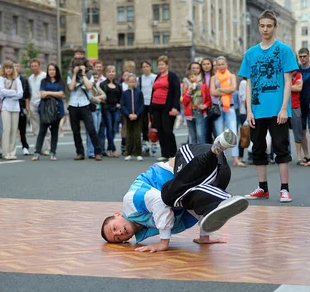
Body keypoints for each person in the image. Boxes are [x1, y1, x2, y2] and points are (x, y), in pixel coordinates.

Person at [101, 129, 247, 252]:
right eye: (118, 238)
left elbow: (159, 202)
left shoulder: (131, 201)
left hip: (190, 159)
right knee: (186, 200)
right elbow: (193, 209)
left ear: (117, 214)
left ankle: (217, 152)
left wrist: (164, 242)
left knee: (167, 196)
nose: (119, 233)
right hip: (219, 175)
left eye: (115, 228)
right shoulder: (149, 228)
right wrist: (205, 234)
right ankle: (222, 200)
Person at [240, 10, 296, 203]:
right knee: (258, 148)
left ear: (275, 27)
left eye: (269, 26)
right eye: (262, 26)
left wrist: (283, 108)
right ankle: (262, 188)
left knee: (281, 148)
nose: (265, 29)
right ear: (259, 27)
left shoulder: (284, 50)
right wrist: (248, 110)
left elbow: (288, 81)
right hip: (257, 109)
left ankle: (284, 189)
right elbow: (248, 83)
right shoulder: (251, 53)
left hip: (277, 109)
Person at [67, 48, 102, 161]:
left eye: (81, 55)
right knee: (76, 131)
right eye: (77, 54)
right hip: (73, 104)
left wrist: (83, 74)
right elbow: (71, 87)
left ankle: (97, 152)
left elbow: (89, 86)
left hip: (85, 104)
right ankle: (80, 152)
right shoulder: (69, 73)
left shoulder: (89, 73)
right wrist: (74, 74)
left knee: (91, 129)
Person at [210, 56, 240, 166]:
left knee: (233, 133)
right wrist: (225, 91)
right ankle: (221, 158)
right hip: (218, 108)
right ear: (216, 66)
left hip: (230, 107)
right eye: (219, 64)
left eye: (223, 64)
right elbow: (213, 92)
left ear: (226, 64)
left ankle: (236, 158)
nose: (221, 66)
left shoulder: (231, 76)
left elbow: (233, 89)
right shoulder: (214, 78)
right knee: (219, 133)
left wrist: (219, 90)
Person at [150, 55, 180, 161]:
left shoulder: (172, 76)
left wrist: (175, 107)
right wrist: (151, 108)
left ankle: (173, 154)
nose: (160, 66)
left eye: (162, 64)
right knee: (160, 130)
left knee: (167, 130)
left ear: (167, 65)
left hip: (167, 107)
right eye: (159, 65)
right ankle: (165, 153)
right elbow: (153, 92)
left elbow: (176, 92)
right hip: (156, 107)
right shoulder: (158, 77)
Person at [33, 64, 65, 161]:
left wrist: (48, 93)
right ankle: (37, 153)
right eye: (50, 69)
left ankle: (53, 152)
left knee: (54, 132)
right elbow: (42, 95)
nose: (51, 71)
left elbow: (61, 94)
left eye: (53, 69)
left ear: (56, 71)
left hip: (57, 109)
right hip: (45, 109)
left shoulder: (60, 82)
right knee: (42, 131)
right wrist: (53, 94)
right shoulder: (44, 81)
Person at [0, 61, 23, 160]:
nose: (8, 70)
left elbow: (20, 94)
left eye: (10, 68)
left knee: (14, 130)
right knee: (6, 129)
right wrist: (14, 92)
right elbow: (2, 92)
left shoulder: (17, 80)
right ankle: (5, 152)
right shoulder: (1, 79)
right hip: (5, 107)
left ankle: (12, 152)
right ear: (4, 69)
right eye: (6, 68)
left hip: (15, 108)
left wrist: (10, 93)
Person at [182, 69, 211, 144]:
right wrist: (188, 92)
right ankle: (194, 154)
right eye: (190, 78)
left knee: (200, 135)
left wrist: (204, 105)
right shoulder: (188, 89)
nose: (192, 79)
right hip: (189, 115)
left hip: (200, 114)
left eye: (193, 76)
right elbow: (184, 102)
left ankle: (202, 153)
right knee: (192, 136)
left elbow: (209, 100)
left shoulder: (203, 87)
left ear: (197, 76)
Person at [100, 66, 122, 157]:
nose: (111, 73)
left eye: (113, 71)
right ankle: (113, 148)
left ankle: (109, 147)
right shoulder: (103, 84)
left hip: (115, 109)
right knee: (109, 128)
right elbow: (100, 95)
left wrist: (119, 104)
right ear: (106, 73)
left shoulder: (118, 85)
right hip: (106, 108)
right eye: (109, 72)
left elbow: (121, 97)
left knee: (114, 128)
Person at [120, 75, 144, 161]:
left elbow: (142, 105)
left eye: (133, 81)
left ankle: (138, 153)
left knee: (137, 134)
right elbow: (122, 105)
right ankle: (129, 152)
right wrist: (128, 114)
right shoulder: (125, 93)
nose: (132, 83)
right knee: (129, 134)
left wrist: (137, 114)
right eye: (130, 82)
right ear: (127, 82)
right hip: (128, 117)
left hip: (137, 116)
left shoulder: (139, 92)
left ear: (136, 82)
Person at [86, 60, 107, 158]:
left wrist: (97, 98)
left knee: (97, 131)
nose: (94, 79)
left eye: (96, 77)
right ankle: (90, 151)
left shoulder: (96, 86)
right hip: (92, 110)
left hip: (99, 110)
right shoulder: (88, 87)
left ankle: (95, 150)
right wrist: (99, 99)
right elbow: (91, 98)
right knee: (91, 131)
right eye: (93, 77)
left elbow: (104, 95)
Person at [27, 59, 48, 155]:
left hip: (43, 104)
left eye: (36, 66)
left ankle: (47, 148)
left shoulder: (44, 76)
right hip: (33, 104)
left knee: (45, 127)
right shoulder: (30, 78)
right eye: (32, 66)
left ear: (39, 66)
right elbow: (29, 93)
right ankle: (38, 148)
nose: (34, 68)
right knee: (35, 128)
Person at [13, 62, 31, 156]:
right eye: (14, 66)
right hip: (11, 106)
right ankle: (11, 148)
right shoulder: (8, 79)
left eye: (17, 66)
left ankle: (25, 146)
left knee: (22, 129)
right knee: (11, 129)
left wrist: (27, 108)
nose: (16, 68)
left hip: (21, 106)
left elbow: (27, 95)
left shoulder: (24, 80)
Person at [139, 61, 157, 149]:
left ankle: (154, 141)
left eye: (147, 66)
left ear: (150, 67)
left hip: (153, 102)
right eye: (144, 67)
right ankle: (145, 141)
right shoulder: (140, 78)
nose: (145, 68)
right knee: (144, 123)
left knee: (154, 123)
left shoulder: (155, 77)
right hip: (143, 103)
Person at [200, 58, 217, 143]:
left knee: (216, 131)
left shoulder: (216, 76)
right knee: (205, 132)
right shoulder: (200, 78)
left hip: (214, 106)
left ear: (211, 65)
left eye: (208, 64)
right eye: (204, 64)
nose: (206, 66)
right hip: (204, 107)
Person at [289, 70, 304, 165]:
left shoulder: (297, 74)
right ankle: (286, 155)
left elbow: (299, 88)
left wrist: (286, 86)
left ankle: (299, 157)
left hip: (295, 106)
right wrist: (292, 86)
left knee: (297, 132)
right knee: (282, 133)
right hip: (283, 107)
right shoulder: (282, 72)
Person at [236, 76, 248, 167]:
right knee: (245, 134)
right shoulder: (244, 82)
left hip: (255, 112)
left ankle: (253, 155)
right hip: (245, 112)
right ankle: (240, 156)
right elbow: (243, 97)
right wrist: (249, 111)